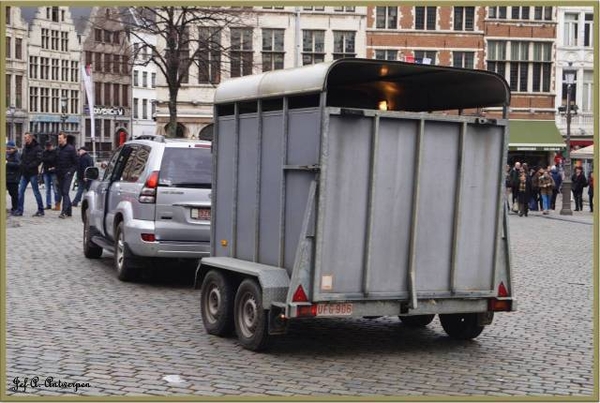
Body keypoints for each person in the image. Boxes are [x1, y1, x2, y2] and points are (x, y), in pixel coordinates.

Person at [14, 133, 45, 217]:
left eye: (26, 138)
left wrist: (30, 166)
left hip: (32, 173)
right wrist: (21, 164)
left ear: (31, 138)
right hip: (25, 173)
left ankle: (41, 210)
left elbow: (39, 160)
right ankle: (20, 210)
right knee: (20, 191)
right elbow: (22, 158)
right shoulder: (25, 147)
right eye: (24, 137)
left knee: (36, 192)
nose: (25, 139)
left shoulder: (37, 148)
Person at [55, 132, 78, 219]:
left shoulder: (71, 149)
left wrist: (70, 172)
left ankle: (63, 212)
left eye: (60, 138)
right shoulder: (58, 149)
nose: (59, 140)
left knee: (65, 191)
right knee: (64, 192)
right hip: (59, 174)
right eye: (58, 138)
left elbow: (76, 163)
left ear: (65, 139)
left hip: (67, 173)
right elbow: (56, 161)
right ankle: (69, 211)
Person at [41, 140, 62, 211]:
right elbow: (43, 159)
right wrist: (48, 160)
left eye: (49, 146)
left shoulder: (56, 152)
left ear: (52, 146)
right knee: (47, 190)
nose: (48, 148)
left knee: (55, 189)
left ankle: (57, 204)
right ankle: (48, 204)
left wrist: (47, 160)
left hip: (54, 172)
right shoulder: (44, 152)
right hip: (46, 172)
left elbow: (52, 160)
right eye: (47, 146)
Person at [5, 141, 21, 214]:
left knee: (14, 194)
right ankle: (14, 207)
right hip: (8, 177)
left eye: (9, 149)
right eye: (7, 148)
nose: (7, 150)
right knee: (12, 193)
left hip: (14, 177)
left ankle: (16, 208)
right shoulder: (8, 155)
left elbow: (18, 165)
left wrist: (7, 163)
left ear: (13, 148)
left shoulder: (16, 155)